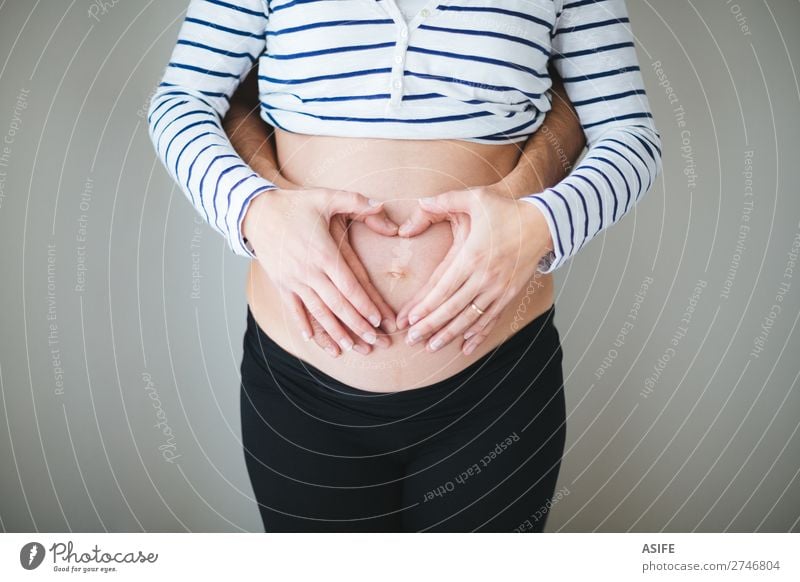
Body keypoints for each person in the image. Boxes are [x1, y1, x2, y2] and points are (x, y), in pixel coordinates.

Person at [147, 0, 662, 532]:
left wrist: (540, 224)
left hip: (495, 385)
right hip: (301, 384)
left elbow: (629, 136)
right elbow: (181, 101)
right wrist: (253, 210)